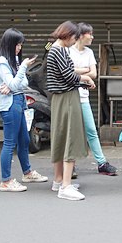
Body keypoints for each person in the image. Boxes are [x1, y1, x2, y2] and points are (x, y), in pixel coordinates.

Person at [0, 28, 47, 192]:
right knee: (10, 142)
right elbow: (16, 84)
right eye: (17, 44)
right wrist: (21, 69)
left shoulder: (12, 60)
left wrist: (11, 85)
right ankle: (6, 181)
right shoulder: (2, 63)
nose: (19, 48)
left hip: (19, 101)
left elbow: (22, 84)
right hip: (10, 104)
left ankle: (27, 173)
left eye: (21, 45)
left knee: (24, 139)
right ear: (9, 44)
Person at [47, 21, 94, 201]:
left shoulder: (55, 49)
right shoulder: (59, 50)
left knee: (60, 138)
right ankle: (65, 186)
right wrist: (86, 78)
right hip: (67, 98)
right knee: (70, 139)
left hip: (59, 98)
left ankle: (59, 180)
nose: (75, 41)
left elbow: (65, 74)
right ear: (67, 35)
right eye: (74, 37)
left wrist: (82, 79)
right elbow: (68, 76)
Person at [69, 23, 118, 176]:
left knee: (91, 130)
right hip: (70, 97)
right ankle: (70, 165)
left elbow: (94, 74)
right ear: (81, 35)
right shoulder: (68, 51)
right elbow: (67, 72)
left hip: (84, 97)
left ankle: (102, 163)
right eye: (89, 34)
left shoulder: (89, 52)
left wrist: (77, 72)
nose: (92, 37)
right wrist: (85, 71)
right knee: (72, 132)